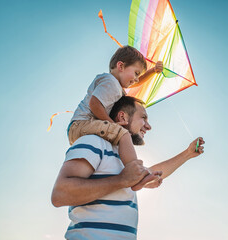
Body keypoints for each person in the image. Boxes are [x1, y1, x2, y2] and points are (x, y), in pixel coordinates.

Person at [51, 96, 205, 240]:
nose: (149, 126)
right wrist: (121, 180)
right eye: (143, 118)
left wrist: (188, 153)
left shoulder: (122, 157)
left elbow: (154, 172)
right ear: (123, 117)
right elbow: (60, 194)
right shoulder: (93, 142)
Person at [68, 45, 163, 174]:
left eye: (138, 75)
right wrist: (112, 124)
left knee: (118, 135)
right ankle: (135, 171)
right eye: (136, 73)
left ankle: (125, 168)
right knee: (122, 134)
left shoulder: (115, 84)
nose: (136, 79)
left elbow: (138, 81)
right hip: (81, 124)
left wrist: (152, 71)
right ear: (121, 66)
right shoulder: (111, 83)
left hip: (81, 126)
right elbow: (94, 104)